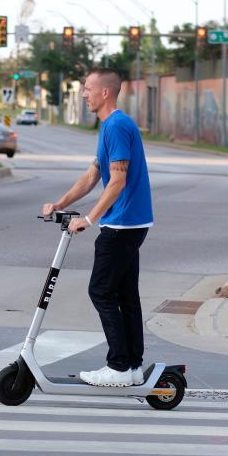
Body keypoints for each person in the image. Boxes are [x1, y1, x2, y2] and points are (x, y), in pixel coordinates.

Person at [42, 68, 153, 387]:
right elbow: (93, 176)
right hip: (132, 223)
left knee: (101, 290)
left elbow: (116, 180)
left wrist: (88, 219)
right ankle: (131, 366)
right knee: (125, 293)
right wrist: (61, 203)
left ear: (106, 92)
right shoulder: (111, 127)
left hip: (121, 224)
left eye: (88, 88)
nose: (84, 93)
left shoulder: (117, 126)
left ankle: (118, 365)